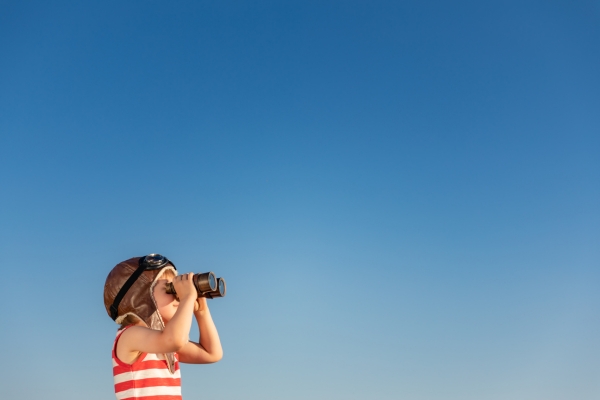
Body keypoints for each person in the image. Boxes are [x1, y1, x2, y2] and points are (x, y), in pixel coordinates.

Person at [103, 254, 223, 400]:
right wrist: (187, 298)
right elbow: (175, 340)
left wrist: (201, 312)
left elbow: (211, 353)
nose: (178, 295)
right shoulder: (130, 336)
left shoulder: (164, 343)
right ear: (140, 296)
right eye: (169, 288)